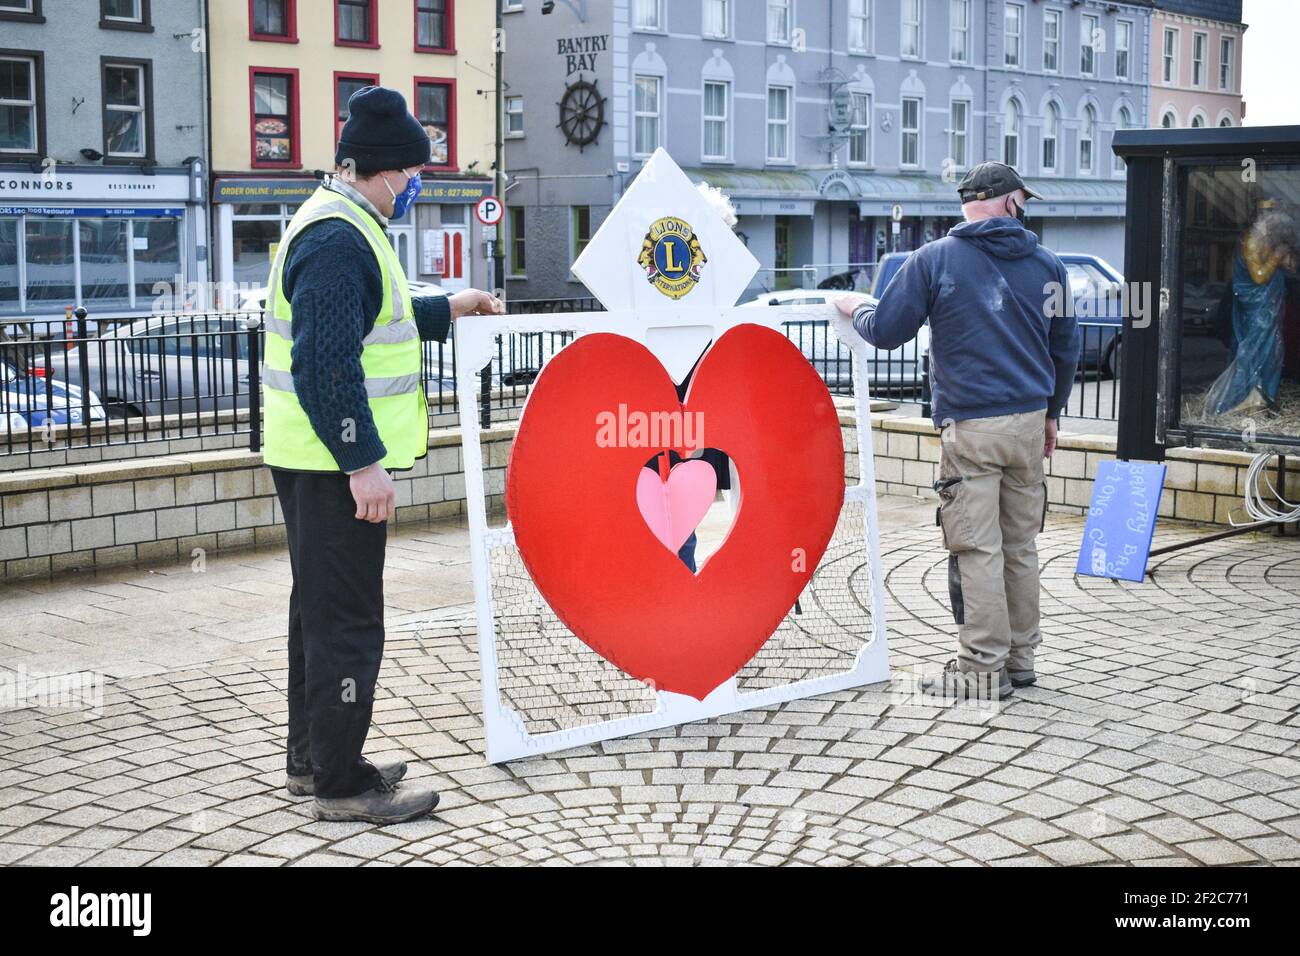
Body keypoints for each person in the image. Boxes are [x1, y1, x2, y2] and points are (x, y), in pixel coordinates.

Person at [262, 86, 503, 823]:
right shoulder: (339, 238)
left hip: (308, 458)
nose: (415, 187)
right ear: (387, 170)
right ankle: (341, 786)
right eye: (414, 175)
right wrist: (361, 462)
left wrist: (449, 307)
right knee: (348, 623)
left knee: (319, 614)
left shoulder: (340, 223)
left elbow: (375, 321)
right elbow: (325, 364)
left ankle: (317, 760)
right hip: (334, 467)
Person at [834, 161, 1080, 701]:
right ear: (1008, 201)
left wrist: (856, 306)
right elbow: (1066, 347)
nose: (1028, 208)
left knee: (977, 547)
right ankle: (1020, 660)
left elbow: (887, 331)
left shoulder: (934, 260)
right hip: (1028, 424)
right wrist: (1053, 413)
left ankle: (980, 669)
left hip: (972, 427)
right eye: (1025, 199)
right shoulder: (1050, 266)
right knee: (1020, 545)